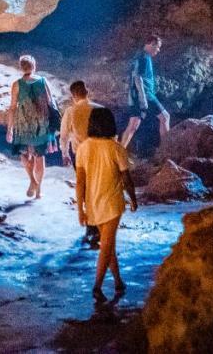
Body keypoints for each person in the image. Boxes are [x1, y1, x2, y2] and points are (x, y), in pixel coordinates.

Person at [76, 107, 138, 301]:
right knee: (107, 245)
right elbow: (126, 178)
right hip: (112, 203)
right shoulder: (115, 148)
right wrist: (133, 199)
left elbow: (80, 182)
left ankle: (118, 281)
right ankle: (97, 286)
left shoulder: (83, 148)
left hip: (93, 203)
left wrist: (80, 209)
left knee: (108, 243)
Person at [5, 55, 57, 199]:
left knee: (24, 154)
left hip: (23, 124)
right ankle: (38, 191)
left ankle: (32, 181)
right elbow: (50, 102)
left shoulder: (17, 84)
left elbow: (12, 108)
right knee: (39, 157)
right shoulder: (42, 81)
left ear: (21, 67)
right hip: (41, 124)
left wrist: (9, 128)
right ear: (34, 66)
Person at [59, 81, 100, 247]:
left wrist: (65, 153)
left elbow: (64, 135)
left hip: (81, 156)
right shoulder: (99, 109)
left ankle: (92, 228)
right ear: (87, 91)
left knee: (87, 190)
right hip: (99, 155)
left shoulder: (71, 111)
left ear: (73, 96)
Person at [120, 35, 169, 149]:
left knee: (133, 124)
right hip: (145, 94)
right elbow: (138, 77)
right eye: (157, 47)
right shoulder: (144, 57)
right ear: (151, 43)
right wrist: (143, 98)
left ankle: (119, 153)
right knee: (165, 117)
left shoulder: (140, 56)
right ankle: (166, 150)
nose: (158, 50)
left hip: (135, 95)